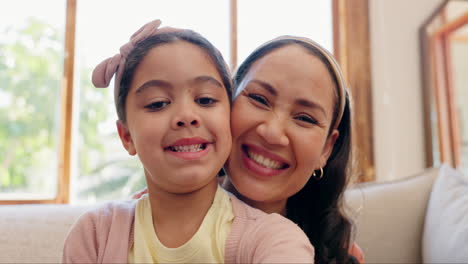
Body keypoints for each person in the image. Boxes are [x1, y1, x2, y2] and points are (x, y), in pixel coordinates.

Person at [62, 20, 315, 263]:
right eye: (158, 103)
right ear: (126, 137)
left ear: (229, 119)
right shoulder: (95, 235)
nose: (186, 117)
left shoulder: (274, 240)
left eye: (205, 100)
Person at [133, 35, 364, 263]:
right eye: (258, 99)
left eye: (304, 118)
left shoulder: (340, 255)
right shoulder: (136, 225)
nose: (272, 133)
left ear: (326, 149)